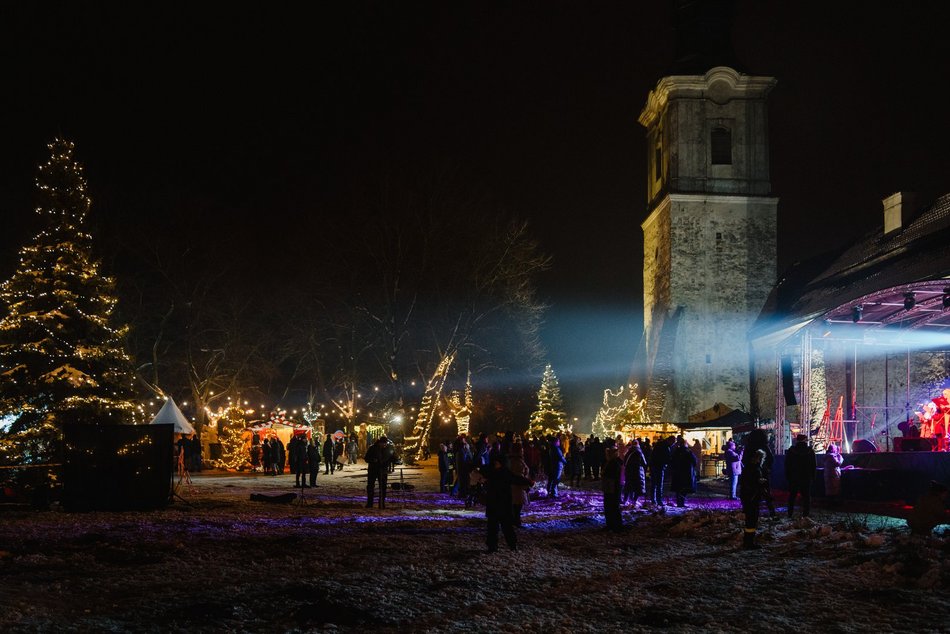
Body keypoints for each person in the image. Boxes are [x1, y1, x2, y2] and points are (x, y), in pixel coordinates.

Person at [479, 453, 533, 552]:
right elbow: (516, 479)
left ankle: (495, 546)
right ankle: (509, 545)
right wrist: (529, 482)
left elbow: (516, 479)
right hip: (503, 503)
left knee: (495, 526)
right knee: (504, 526)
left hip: (494, 503)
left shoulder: (492, 472)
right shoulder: (503, 472)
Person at [739, 429, 770, 550]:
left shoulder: (748, 467)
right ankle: (749, 542)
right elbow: (754, 483)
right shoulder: (755, 469)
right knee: (752, 518)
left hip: (749, 495)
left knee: (751, 518)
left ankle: (748, 540)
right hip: (752, 496)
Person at [784, 434, 816, 518]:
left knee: (792, 496)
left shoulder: (791, 451)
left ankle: (790, 513)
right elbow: (813, 465)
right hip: (806, 477)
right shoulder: (810, 451)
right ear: (805, 440)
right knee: (806, 496)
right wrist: (812, 476)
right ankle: (806, 514)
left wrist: (788, 475)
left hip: (794, 477)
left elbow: (787, 464)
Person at [364, 435, 395, 509]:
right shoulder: (372, 448)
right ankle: (370, 503)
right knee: (371, 486)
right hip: (373, 470)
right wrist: (373, 460)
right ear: (379, 443)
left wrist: (395, 460)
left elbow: (392, 457)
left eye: (385, 443)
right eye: (383, 443)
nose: (384, 445)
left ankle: (381, 503)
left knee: (383, 487)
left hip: (383, 470)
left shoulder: (388, 449)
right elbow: (366, 458)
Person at [669, 436, 697, 507]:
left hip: (677, 473)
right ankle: (682, 502)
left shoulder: (676, 451)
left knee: (678, 489)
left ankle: (679, 502)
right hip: (686, 473)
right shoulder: (688, 452)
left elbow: (672, 461)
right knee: (684, 489)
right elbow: (694, 461)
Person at [508, 444, 531, 527]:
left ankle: (515, 520)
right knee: (517, 504)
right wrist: (526, 482)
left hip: (518, 485)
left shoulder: (517, 459)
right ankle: (516, 521)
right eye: (521, 450)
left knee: (517, 504)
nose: (523, 451)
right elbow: (518, 474)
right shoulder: (515, 460)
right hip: (517, 485)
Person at [602, 447, 623, 531]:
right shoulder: (613, 462)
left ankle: (614, 525)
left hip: (612, 488)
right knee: (612, 506)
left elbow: (611, 476)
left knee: (612, 506)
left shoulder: (614, 463)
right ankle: (613, 524)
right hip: (611, 487)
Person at [622, 439, 647, 507]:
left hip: (629, 471)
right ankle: (634, 501)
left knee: (628, 485)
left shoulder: (629, 452)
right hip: (637, 471)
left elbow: (624, 461)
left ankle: (625, 499)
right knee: (637, 487)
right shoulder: (639, 452)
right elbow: (644, 462)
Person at [648, 436, 672, 506]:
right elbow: (667, 458)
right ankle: (658, 500)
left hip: (654, 466)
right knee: (659, 484)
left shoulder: (659, 445)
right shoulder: (665, 447)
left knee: (654, 484)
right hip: (659, 466)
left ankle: (653, 499)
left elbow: (653, 455)